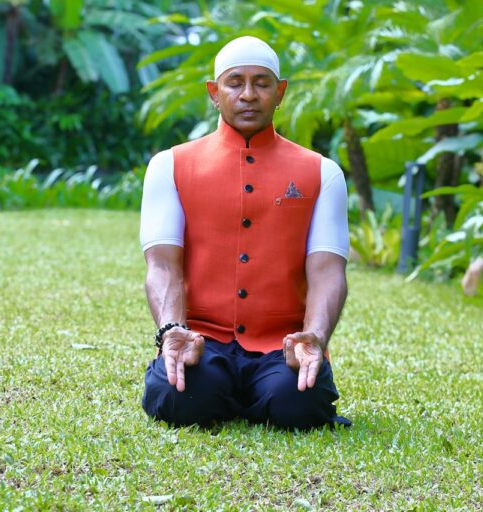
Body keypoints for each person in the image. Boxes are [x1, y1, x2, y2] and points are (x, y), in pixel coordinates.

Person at [139, 36, 351, 430]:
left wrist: (316, 338)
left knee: (299, 406)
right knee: (177, 396)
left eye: (262, 83)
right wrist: (172, 330)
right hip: (200, 342)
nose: (248, 94)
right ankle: (231, 393)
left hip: (283, 347)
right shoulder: (169, 165)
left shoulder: (322, 172)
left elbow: (327, 271)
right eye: (235, 82)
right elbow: (163, 265)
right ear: (214, 93)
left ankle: (260, 393)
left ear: (280, 92)